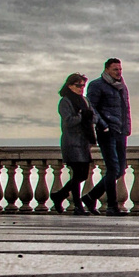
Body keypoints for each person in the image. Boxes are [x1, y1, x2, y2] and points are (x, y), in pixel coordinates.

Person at [83, 57, 131, 215]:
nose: (119, 72)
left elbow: (126, 109)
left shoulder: (122, 86)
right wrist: (103, 126)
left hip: (120, 131)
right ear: (107, 70)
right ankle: (112, 206)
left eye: (120, 69)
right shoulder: (97, 85)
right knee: (112, 168)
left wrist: (127, 128)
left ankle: (91, 197)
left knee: (120, 169)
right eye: (115, 69)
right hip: (107, 132)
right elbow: (92, 108)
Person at [48, 73, 97, 214]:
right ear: (69, 86)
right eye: (78, 85)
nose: (81, 88)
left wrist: (89, 117)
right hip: (72, 142)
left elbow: (94, 117)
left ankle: (60, 195)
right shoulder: (65, 101)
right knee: (77, 174)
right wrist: (82, 116)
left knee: (82, 175)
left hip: (84, 142)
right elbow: (68, 121)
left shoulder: (85, 100)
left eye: (83, 85)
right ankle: (78, 205)